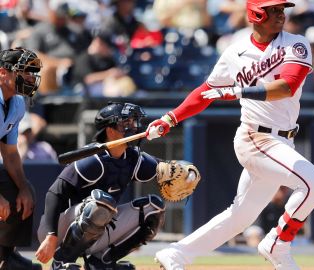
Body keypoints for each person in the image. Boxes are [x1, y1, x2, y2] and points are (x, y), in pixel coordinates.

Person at [146, 0, 314, 269]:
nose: (280, 14)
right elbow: (205, 92)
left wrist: (238, 91)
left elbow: (287, 86)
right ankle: (278, 244)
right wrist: (170, 118)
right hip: (256, 138)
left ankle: (176, 254)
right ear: (256, 14)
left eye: (282, 10)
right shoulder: (235, 52)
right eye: (273, 10)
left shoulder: (295, 43)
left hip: (282, 139)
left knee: (240, 217)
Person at [34, 102, 197, 270]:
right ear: (110, 131)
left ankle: (102, 262)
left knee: (154, 209)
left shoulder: (132, 158)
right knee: (102, 203)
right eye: (125, 124)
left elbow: (163, 167)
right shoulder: (93, 159)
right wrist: (50, 235)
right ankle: (62, 261)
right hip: (58, 230)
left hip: (97, 226)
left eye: (133, 123)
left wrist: (182, 172)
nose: (133, 128)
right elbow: (54, 193)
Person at [0, 47, 42, 269]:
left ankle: (5, 256)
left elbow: (9, 152)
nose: (29, 77)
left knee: (23, 192)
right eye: (23, 71)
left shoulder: (16, 103)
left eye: (31, 73)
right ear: (2, 72)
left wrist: (24, 187)